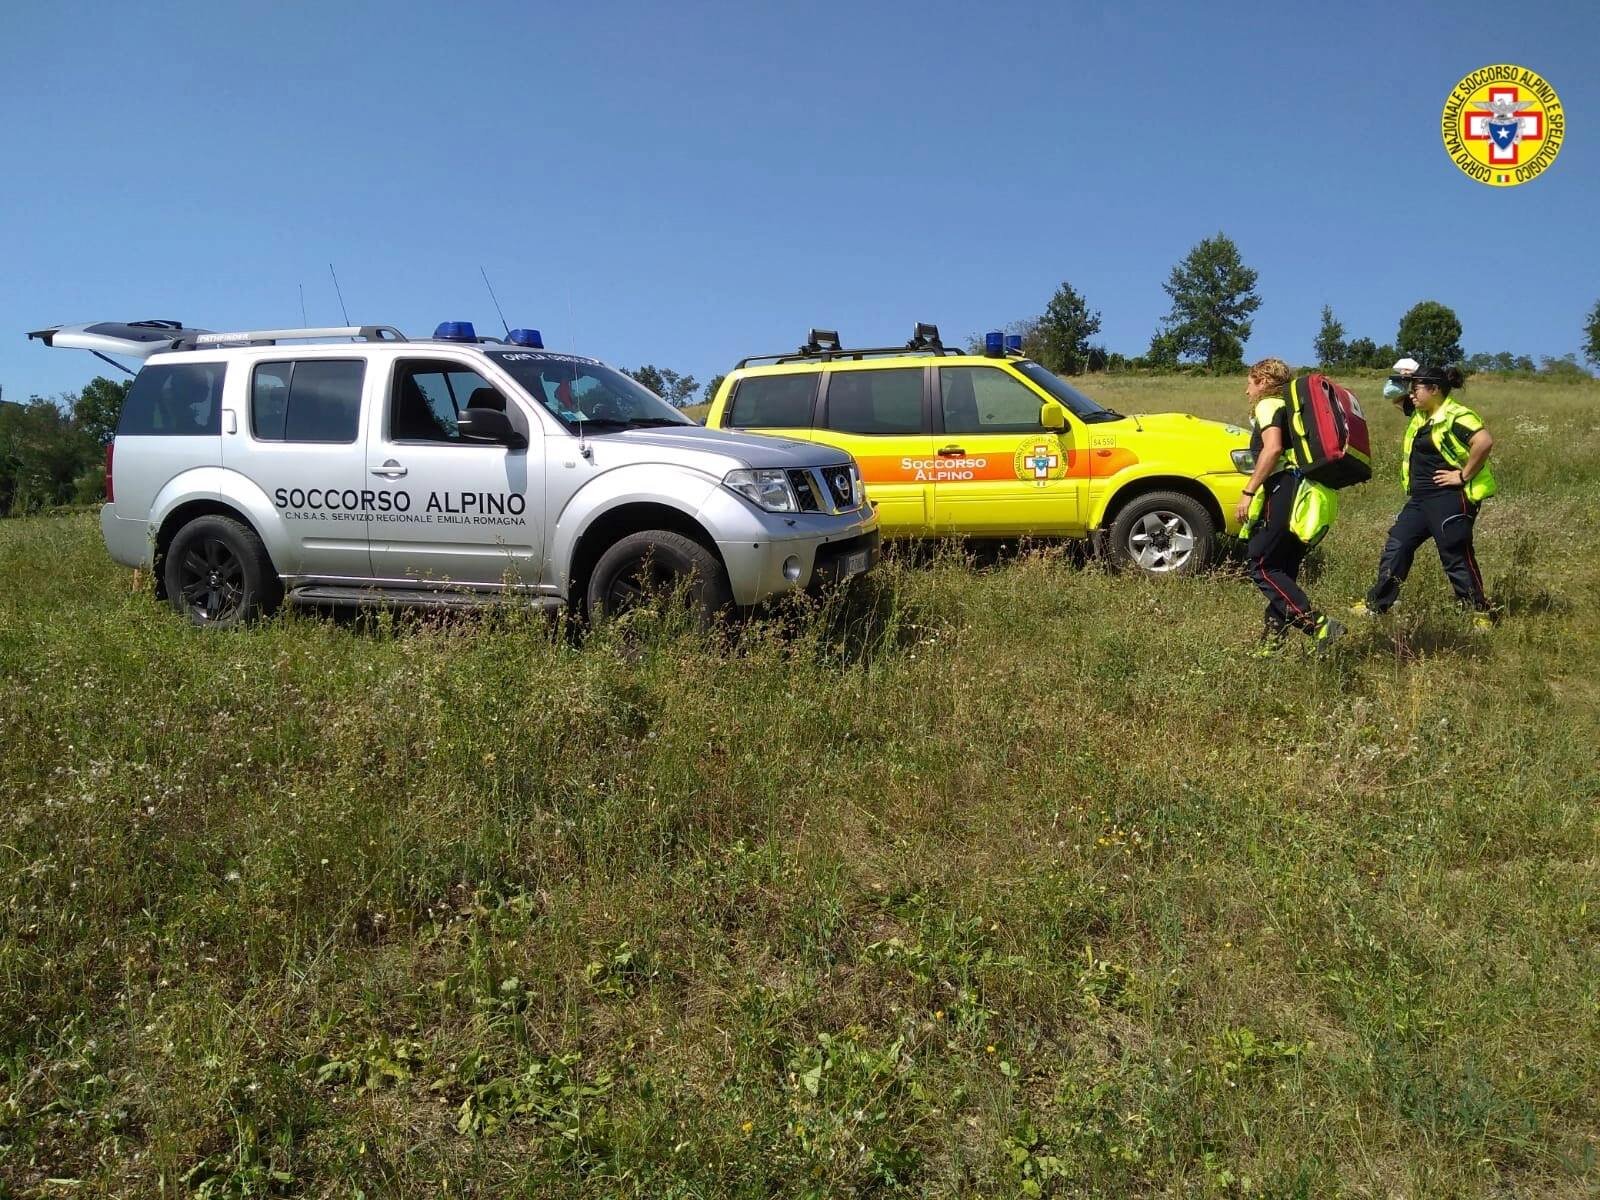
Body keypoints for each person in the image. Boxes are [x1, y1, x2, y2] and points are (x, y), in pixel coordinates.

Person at [1354, 365, 1496, 623]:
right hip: (1420, 500)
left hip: (1450, 498)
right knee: (1398, 545)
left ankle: (1479, 612)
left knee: (1454, 553)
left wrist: (1462, 475)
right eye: (1411, 389)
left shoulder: (1456, 415)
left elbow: (1484, 441)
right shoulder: (1421, 413)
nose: (1411, 394)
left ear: (1435, 389)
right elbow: (1393, 396)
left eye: (1416, 389)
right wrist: (1403, 376)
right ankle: (1378, 604)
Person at [1234, 357, 1344, 652]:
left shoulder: (1268, 405)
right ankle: (1271, 646)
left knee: (1260, 563)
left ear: (1264, 382)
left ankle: (1319, 625)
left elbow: (1272, 450)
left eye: (1250, 382)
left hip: (1283, 488)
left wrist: (1248, 491)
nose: (1247, 391)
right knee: (1282, 567)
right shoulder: (1292, 408)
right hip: (1302, 491)